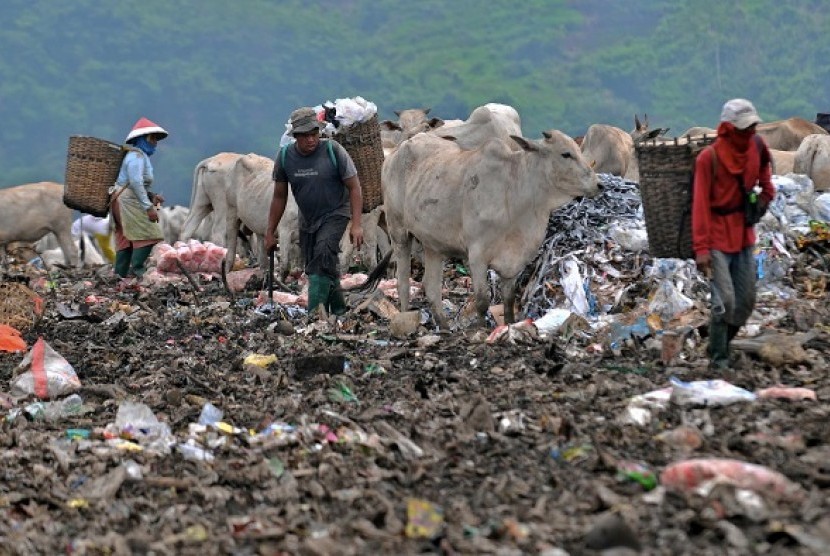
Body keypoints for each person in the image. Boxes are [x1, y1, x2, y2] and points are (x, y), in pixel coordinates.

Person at [692, 99, 775, 370]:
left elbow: (765, 170)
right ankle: (718, 359)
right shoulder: (709, 158)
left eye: (752, 127)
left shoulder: (757, 147)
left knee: (747, 300)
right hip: (716, 235)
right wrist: (701, 248)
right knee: (724, 300)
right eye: (743, 128)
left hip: (743, 234)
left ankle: (720, 343)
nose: (749, 132)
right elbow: (701, 204)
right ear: (728, 128)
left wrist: (766, 193)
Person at [264, 107, 363, 316]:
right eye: (305, 136)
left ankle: (314, 316)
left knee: (322, 256)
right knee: (318, 265)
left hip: (336, 212)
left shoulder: (333, 151)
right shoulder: (285, 158)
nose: (311, 139)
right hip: (308, 218)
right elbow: (279, 196)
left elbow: (354, 187)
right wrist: (270, 231)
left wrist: (356, 225)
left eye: (314, 134)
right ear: (296, 136)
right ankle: (338, 310)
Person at [110, 117, 168, 278]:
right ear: (143, 139)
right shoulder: (136, 157)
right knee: (150, 233)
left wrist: (152, 196)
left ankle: (119, 275)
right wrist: (148, 207)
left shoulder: (139, 157)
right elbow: (135, 182)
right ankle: (138, 269)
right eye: (152, 138)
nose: (155, 142)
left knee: (125, 238)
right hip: (127, 201)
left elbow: (136, 183)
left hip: (121, 200)